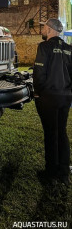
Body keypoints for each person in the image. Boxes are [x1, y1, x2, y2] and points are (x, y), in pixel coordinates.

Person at [33, 18, 72, 187]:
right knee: (62, 132)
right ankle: (64, 173)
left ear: (50, 29)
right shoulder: (69, 49)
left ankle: (51, 175)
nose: (42, 30)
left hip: (49, 97)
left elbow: (39, 74)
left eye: (44, 28)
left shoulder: (44, 47)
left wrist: (39, 92)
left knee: (51, 134)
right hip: (65, 97)